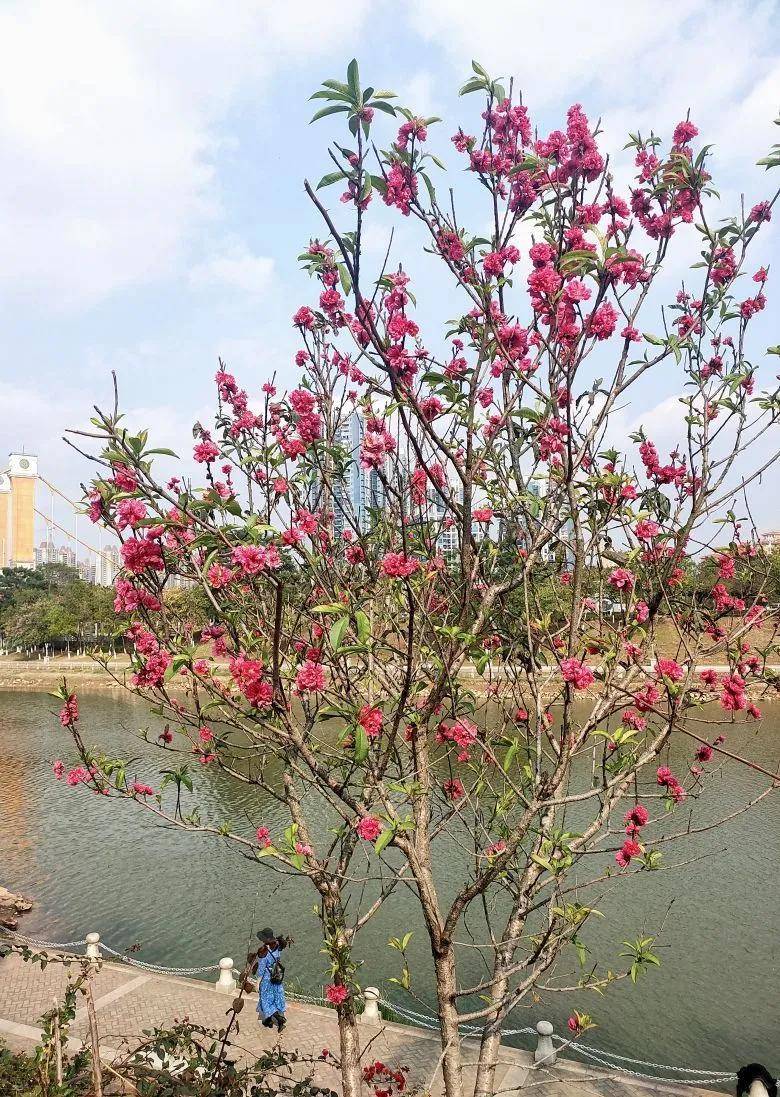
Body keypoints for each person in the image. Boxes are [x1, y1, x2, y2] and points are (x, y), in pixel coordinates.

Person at [253, 927, 289, 1032]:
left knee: (265, 1000)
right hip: (276, 978)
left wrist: (257, 983)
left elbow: (261, 969)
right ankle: (268, 1020)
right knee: (275, 998)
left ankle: (280, 1020)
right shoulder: (277, 947)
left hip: (267, 980)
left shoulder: (265, 952)